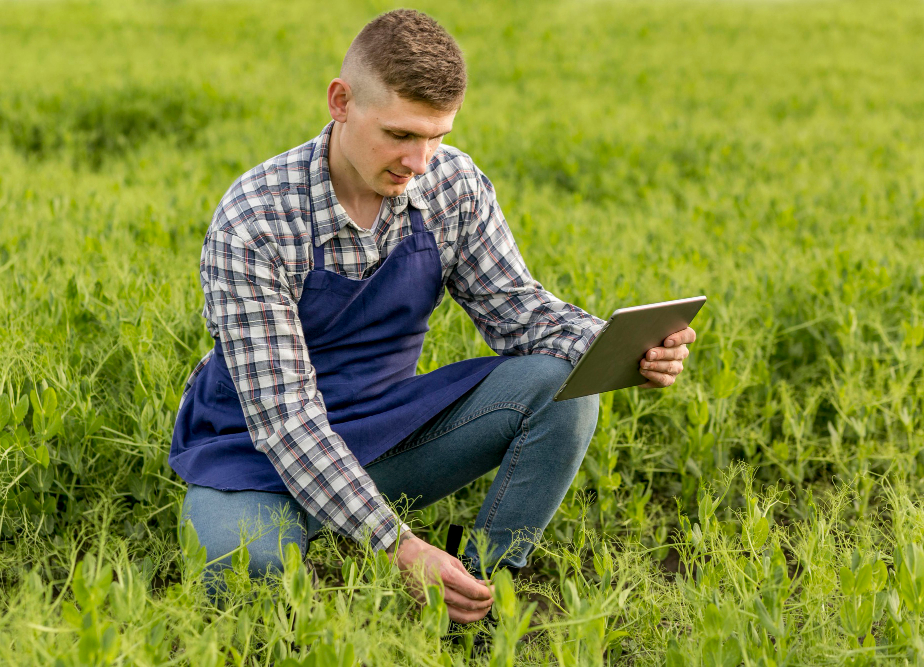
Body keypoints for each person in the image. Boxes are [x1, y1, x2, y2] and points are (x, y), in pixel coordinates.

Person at [168, 9, 695, 624]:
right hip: (253, 451)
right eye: (399, 134)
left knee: (561, 386)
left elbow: (517, 314)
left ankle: (480, 596)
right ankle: (326, 568)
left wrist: (621, 345)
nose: (419, 161)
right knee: (242, 566)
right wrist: (400, 546)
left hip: (389, 426)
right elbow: (286, 421)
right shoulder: (257, 218)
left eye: (436, 136)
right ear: (341, 102)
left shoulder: (452, 186)